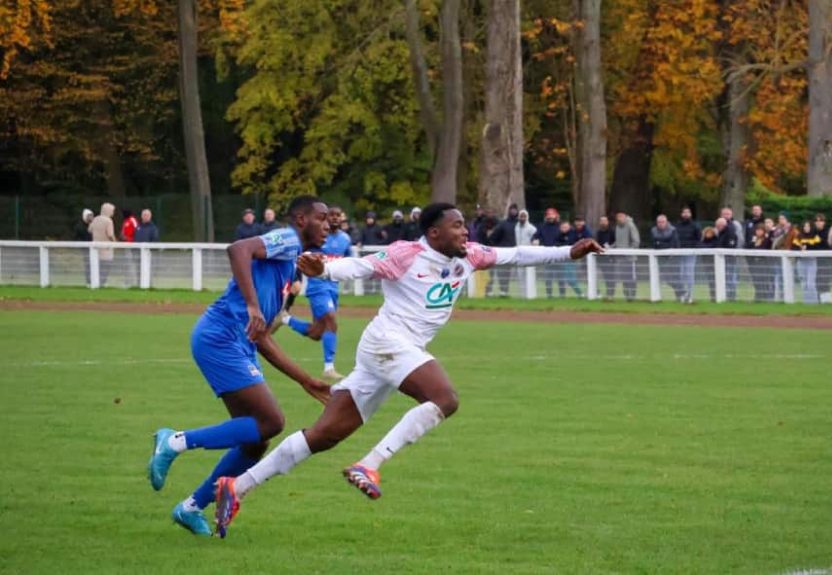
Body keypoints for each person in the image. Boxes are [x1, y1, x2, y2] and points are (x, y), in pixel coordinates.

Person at [212, 203, 603, 537]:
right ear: (434, 233)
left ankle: (237, 485)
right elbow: (361, 266)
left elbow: (516, 255)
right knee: (444, 399)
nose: (464, 231)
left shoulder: (469, 255)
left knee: (325, 434)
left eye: (464, 225)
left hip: (395, 351)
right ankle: (370, 464)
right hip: (387, 342)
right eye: (456, 226)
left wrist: (571, 251)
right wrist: (325, 271)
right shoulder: (406, 253)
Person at [145, 196, 333, 537]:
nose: (328, 225)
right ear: (301, 219)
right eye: (321, 218)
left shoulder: (290, 267)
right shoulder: (288, 239)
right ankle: (173, 441)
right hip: (220, 336)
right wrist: (250, 305)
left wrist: (306, 381)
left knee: (255, 440)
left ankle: (189, 509)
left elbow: (262, 338)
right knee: (271, 421)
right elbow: (238, 249)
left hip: (236, 342)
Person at [272, 205, 355, 382]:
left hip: (333, 288)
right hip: (318, 287)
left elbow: (348, 260)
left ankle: (284, 318)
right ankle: (329, 368)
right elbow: (299, 257)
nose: (334, 218)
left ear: (341, 218)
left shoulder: (345, 239)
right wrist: (296, 278)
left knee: (317, 333)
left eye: (337, 215)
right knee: (331, 319)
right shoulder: (316, 238)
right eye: (330, 215)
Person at [485, 204, 520, 297]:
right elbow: (493, 237)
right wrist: (496, 247)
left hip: (518, 251)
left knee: (514, 273)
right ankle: (500, 291)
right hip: (504, 252)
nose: (513, 212)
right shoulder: (503, 224)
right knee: (501, 273)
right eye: (511, 210)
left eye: (515, 210)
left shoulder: (520, 224)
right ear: (509, 211)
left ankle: (514, 292)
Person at [612, 210, 641, 301]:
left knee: (631, 278)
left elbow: (636, 241)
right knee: (623, 277)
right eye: (618, 217)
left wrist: (629, 251)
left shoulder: (630, 225)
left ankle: (632, 295)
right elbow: (618, 242)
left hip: (630, 258)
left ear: (625, 216)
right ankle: (627, 296)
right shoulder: (617, 227)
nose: (619, 218)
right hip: (620, 258)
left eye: (621, 216)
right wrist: (610, 247)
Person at [532, 208, 561, 297]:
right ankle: (549, 295)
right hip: (547, 254)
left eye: (552, 216)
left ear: (556, 216)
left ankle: (562, 295)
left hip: (559, 254)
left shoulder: (561, 226)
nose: (550, 218)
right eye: (549, 216)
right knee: (548, 277)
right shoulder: (542, 227)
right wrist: (534, 240)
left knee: (560, 277)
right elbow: (535, 237)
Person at [650, 214, 681, 300]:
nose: (660, 224)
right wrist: (662, 244)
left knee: (675, 278)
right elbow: (654, 245)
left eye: (662, 222)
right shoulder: (653, 230)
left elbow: (674, 244)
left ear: (666, 222)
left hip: (673, 258)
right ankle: (683, 292)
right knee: (665, 278)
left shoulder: (672, 230)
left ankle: (680, 296)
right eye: (659, 222)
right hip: (660, 259)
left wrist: (660, 243)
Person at [88, 202, 116, 287]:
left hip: (95, 248)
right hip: (106, 249)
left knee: (96, 267)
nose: (113, 213)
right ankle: (102, 283)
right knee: (105, 267)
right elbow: (110, 234)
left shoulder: (96, 219)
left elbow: (89, 230)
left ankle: (94, 282)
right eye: (112, 211)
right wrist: (115, 242)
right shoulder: (108, 221)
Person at [676, 207, 700, 303]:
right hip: (679, 253)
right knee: (681, 275)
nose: (686, 214)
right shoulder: (677, 226)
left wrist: (693, 248)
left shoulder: (695, 226)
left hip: (690, 253)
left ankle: (690, 295)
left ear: (690, 214)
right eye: (684, 212)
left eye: (687, 212)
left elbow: (698, 239)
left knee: (689, 274)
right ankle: (683, 294)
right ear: (681, 214)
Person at [555, 221, 584, 297]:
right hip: (562, 259)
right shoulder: (559, 235)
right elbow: (557, 244)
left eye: (565, 227)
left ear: (569, 227)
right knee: (566, 278)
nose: (564, 229)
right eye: (562, 227)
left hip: (571, 259)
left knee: (570, 279)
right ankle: (580, 294)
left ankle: (581, 293)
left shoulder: (573, 234)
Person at [595, 215, 616, 299]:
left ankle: (610, 294)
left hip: (610, 258)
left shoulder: (612, 232)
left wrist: (610, 248)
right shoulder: (598, 232)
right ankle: (597, 293)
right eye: (601, 221)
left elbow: (615, 242)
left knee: (610, 277)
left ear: (607, 222)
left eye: (604, 221)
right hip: (600, 258)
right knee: (601, 277)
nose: (603, 222)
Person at [75, 209, 94, 285]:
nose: (91, 217)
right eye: (89, 216)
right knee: (88, 264)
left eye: (92, 216)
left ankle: (94, 280)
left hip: (93, 247)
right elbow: (77, 238)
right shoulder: (79, 226)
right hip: (85, 248)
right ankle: (89, 281)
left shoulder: (92, 225)